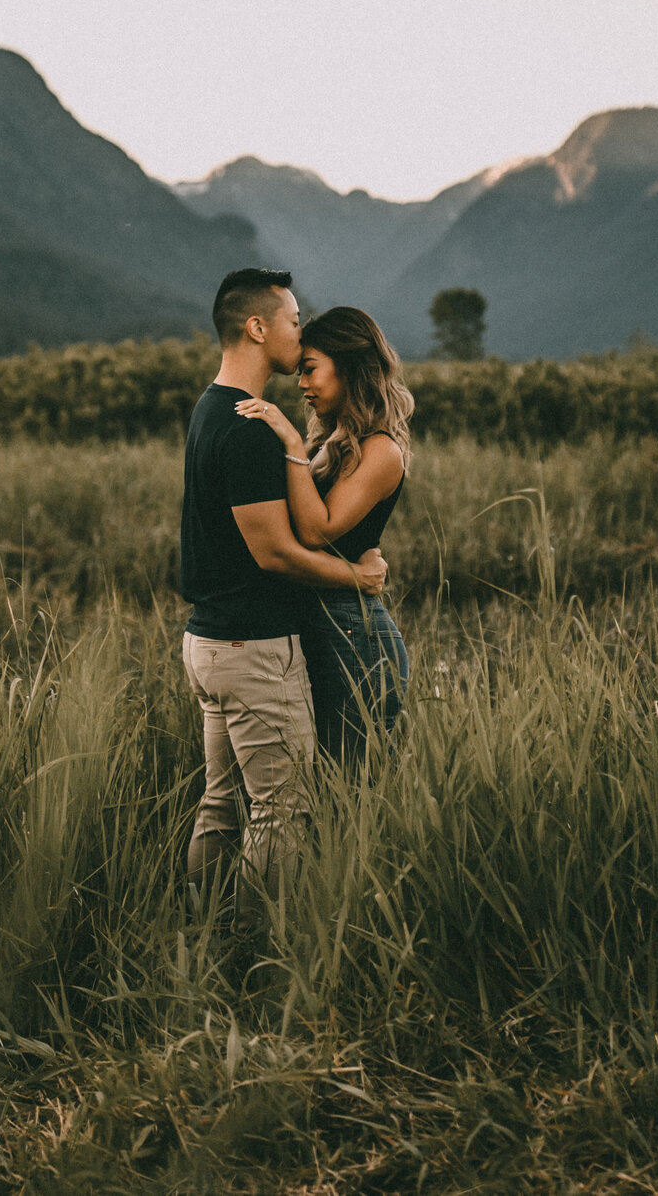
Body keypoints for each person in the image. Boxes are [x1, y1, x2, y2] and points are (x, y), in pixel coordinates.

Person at [180, 268, 387, 889]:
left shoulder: (210, 408)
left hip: (210, 641)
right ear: (257, 327)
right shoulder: (249, 428)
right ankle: (255, 955)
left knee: (221, 804)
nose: (302, 334)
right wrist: (359, 579)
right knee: (281, 809)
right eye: (295, 322)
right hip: (253, 647)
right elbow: (275, 554)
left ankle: (201, 929)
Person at [234, 305, 412, 765]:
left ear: (350, 367)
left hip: (354, 631)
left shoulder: (381, 450)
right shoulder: (331, 442)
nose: (301, 384)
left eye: (310, 369)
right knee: (320, 778)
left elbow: (315, 530)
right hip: (320, 622)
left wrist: (291, 445)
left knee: (351, 786)